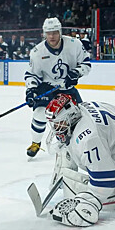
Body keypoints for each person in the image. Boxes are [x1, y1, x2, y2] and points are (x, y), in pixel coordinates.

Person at [43, 93, 115, 227]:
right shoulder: (80, 110)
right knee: (67, 142)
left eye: (59, 123)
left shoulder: (88, 138)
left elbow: (108, 178)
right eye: (54, 124)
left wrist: (91, 201)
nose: (56, 129)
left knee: (112, 187)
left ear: (71, 116)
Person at [24, 17, 91, 158]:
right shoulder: (37, 52)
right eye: (48, 33)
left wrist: (75, 73)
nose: (51, 36)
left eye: (54, 32)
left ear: (60, 31)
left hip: (67, 87)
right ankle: (36, 143)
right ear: (44, 34)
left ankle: (78, 145)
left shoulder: (74, 44)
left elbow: (86, 64)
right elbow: (31, 75)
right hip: (46, 87)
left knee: (80, 116)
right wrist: (30, 90)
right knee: (40, 113)